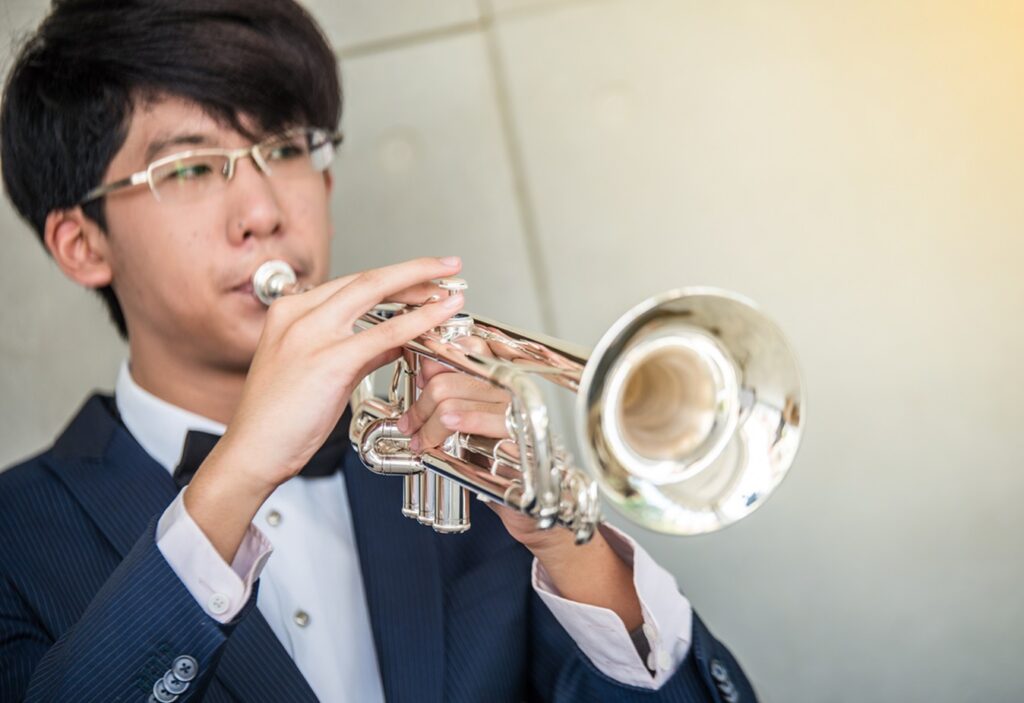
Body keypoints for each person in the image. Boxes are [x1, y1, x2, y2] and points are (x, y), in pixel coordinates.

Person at [0, 1, 756, 701]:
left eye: (287, 147)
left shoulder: (468, 482)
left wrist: (567, 541)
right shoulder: (14, 538)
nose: (264, 210)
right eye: (192, 167)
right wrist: (239, 473)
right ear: (82, 243)